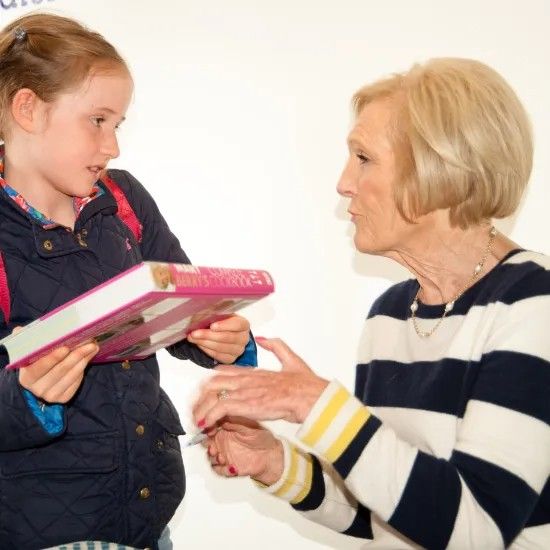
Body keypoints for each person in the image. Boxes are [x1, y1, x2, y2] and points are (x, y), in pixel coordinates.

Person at [192, 58, 550, 549]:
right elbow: (387, 509)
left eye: (363, 158)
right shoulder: (390, 313)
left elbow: (476, 530)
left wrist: (314, 403)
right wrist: (273, 461)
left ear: (439, 170)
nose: (343, 183)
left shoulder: (534, 303)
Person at [0, 13, 255, 550]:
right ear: (27, 109)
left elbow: (184, 302)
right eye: (97, 121)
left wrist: (227, 340)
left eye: (119, 124)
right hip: (39, 529)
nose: (113, 146)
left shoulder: (124, 201)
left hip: (147, 513)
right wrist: (26, 395)